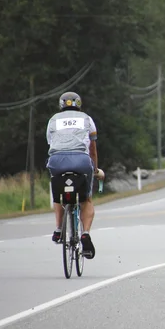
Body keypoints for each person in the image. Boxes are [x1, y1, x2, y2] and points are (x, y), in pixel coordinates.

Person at [46, 91, 104, 259]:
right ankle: (85, 233)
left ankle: (58, 229)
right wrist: (95, 169)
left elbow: (52, 143)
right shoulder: (87, 119)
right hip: (81, 161)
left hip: (57, 161)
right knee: (86, 200)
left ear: (60, 105)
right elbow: (92, 148)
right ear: (79, 104)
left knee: (58, 194)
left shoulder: (53, 120)